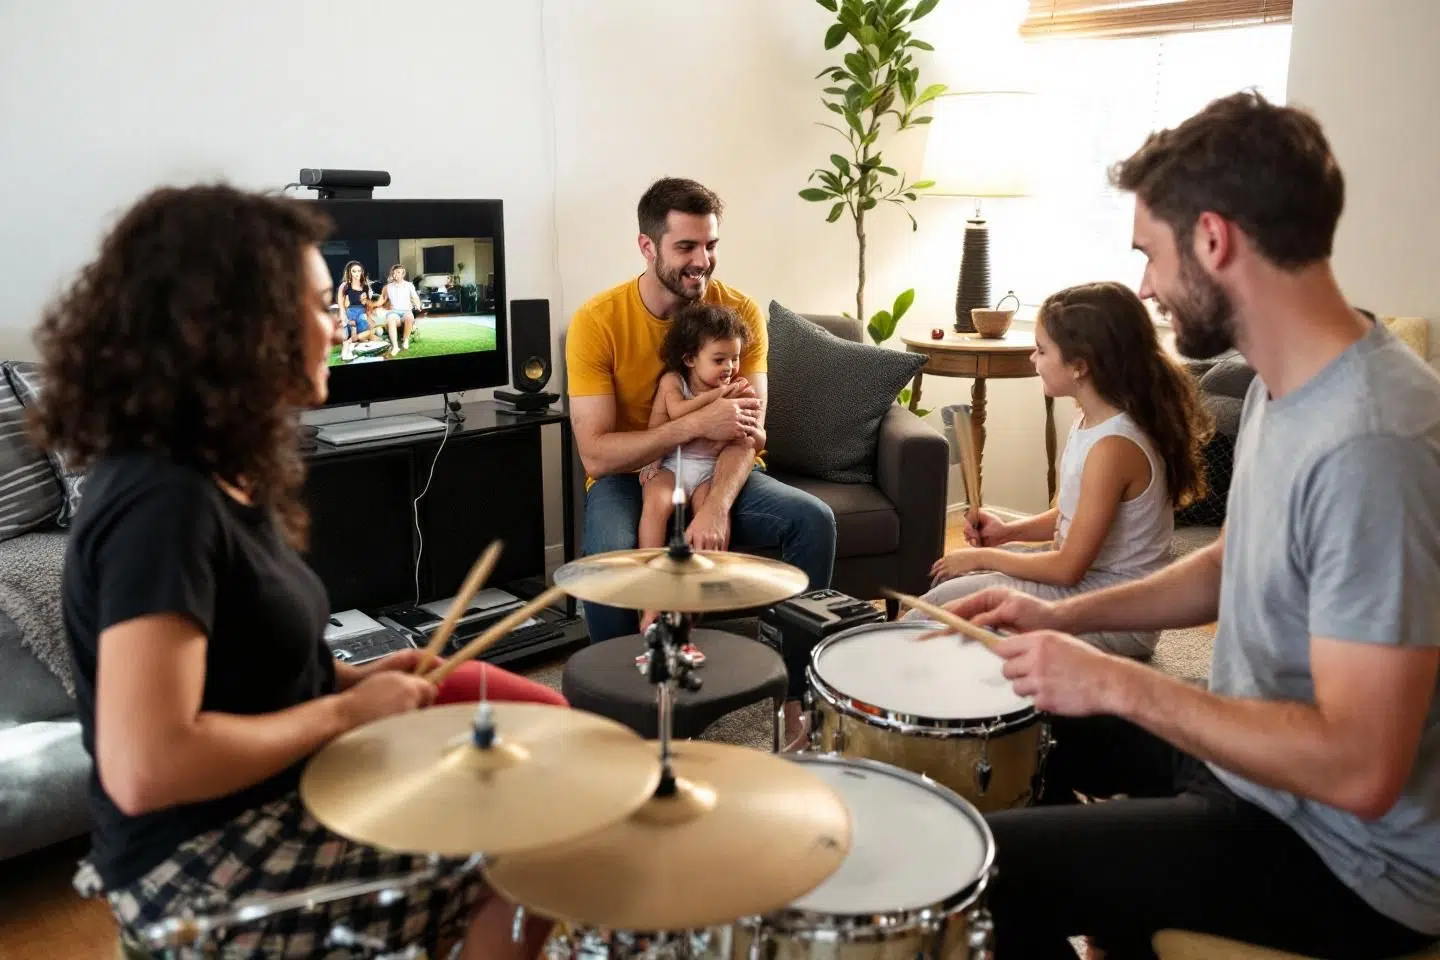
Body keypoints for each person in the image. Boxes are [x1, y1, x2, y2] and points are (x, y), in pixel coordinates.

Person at [935, 91, 1440, 958]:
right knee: (1005, 719)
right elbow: (1224, 567)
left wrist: (1118, 683)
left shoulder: (1374, 442)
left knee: (972, 869)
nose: (1146, 287)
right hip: (1255, 771)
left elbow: (1361, 770)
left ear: (1214, 240)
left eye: (1151, 255)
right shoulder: (1290, 388)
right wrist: (1063, 619)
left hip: (1349, 859)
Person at [30, 184, 555, 959]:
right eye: (315, 305)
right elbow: (148, 766)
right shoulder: (161, 500)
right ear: (233, 328)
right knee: (537, 838)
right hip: (201, 864)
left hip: (268, 799)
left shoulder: (220, 472)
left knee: (529, 775)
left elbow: (246, 678)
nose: (339, 323)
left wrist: (350, 682)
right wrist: (348, 714)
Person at [565, 178, 836, 637]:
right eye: (686, 246)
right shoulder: (596, 322)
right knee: (607, 555)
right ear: (647, 246)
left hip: (720, 466)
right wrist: (693, 424)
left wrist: (716, 508)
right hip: (633, 476)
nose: (702, 261)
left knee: (814, 520)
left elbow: (747, 432)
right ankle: (618, 695)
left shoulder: (738, 314)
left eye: (710, 245)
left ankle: (796, 696)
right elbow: (596, 455)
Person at [910, 280, 1211, 659]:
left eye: (1041, 350)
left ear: (1080, 366)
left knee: (932, 610)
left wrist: (982, 556)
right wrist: (1006, 532)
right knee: (947, 593)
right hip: (1086, 587)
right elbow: (1073, 513)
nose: (1033, 360)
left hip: (1114, 614)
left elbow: (1067, 568)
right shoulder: (1092, 420)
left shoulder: (1115, 446)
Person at [378, 263, 424, 352]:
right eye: (394, 273)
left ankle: (405, 340)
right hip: (394, 312)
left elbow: (415, 297)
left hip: (406, 311)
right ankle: (395, 346)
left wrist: (418, 305)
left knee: (409, 317)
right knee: (391, 318)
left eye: (398, 272)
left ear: (403, 274)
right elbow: (382, 300)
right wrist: (371, 305)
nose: (396, 275)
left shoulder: (409, 285)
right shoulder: (388, 287)